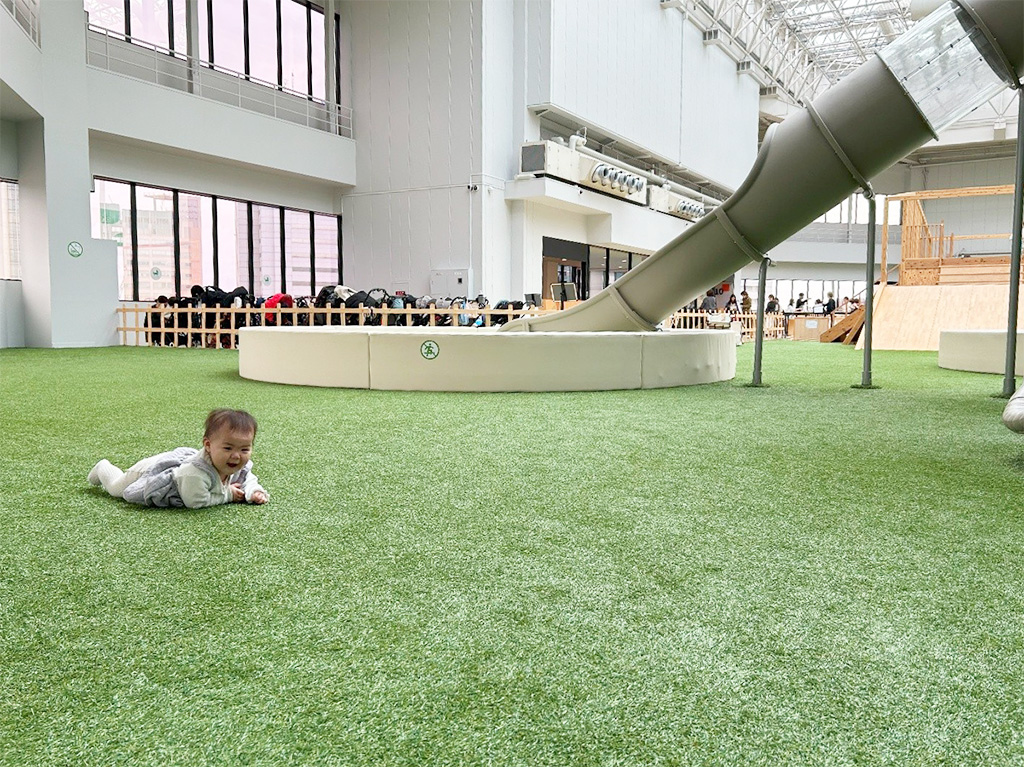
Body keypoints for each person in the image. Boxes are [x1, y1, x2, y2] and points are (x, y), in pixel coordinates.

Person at [88, 409, 269, 509]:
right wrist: (229, 494)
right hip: (151, 471)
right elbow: (194, 501)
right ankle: (102, 467)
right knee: (116, 488)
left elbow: (247, 478)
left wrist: (253, 491)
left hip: (178, 466)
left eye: (244, 449)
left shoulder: (236, 464)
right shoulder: (195, 473)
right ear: (208, 445)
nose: (236, 456)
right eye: (228, 448)